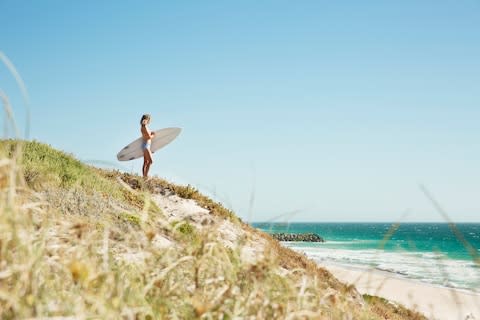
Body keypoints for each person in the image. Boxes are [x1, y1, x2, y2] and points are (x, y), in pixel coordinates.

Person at [140, 114, 155, 178]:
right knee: (151, 161)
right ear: (146, 119)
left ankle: (144, 176)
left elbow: (146, 136)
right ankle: (146, 176)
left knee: (146, 162)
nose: (149, 121)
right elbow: (148, 137)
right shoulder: (144, 127)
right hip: (146, 146)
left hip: (146, 145)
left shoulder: (144, 127)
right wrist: (153, 135)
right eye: (148, 119)